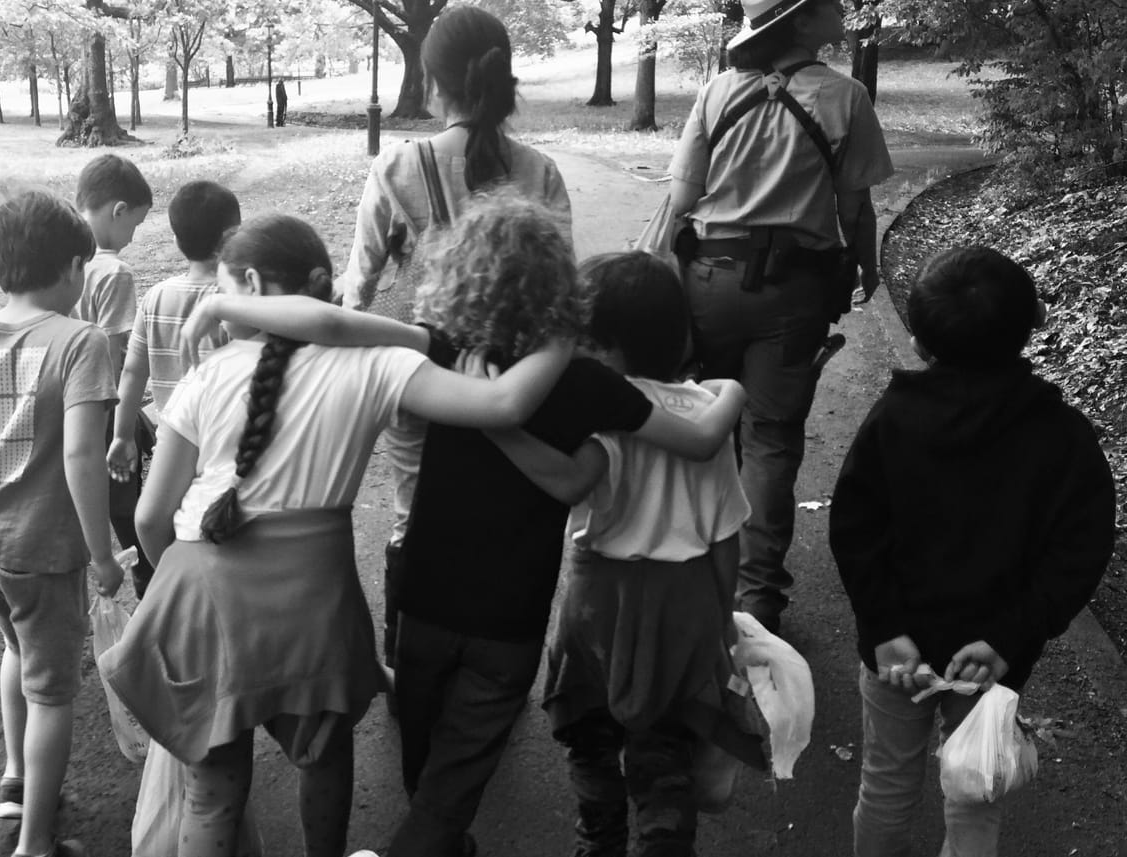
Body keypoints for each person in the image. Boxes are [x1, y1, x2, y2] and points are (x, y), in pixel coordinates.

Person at [176, 194, 743, 857]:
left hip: (424, 607)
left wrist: (221, 305)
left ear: (460, 275)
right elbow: (699, 440)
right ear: (559, 284)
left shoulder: (440, 351)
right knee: (448, 787)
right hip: (509, 622)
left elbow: (328, 322)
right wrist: (731, 388)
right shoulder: (590, 383)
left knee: (424, 773)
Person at [98, 211, 574, 857]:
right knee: (321, 762)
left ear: (254, 284)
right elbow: (500, 405)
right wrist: (561, 339)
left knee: (212, 795)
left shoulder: (207, 375)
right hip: (307, 607)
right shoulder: (377, 365)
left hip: (197, 593)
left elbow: (153, 516)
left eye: (227, 286)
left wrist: (186, 584)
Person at [829, 246, 1116, 857]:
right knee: (976, 793)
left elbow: (855, 527)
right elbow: (1080, 548)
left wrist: (884, 628)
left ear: (918, 344)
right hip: (991, 657)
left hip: (896, 655)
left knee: (885, 788)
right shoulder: (1062, 436)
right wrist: (1009, 637)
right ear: (1034, 323)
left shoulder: (893, 420)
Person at [484, 252, 762, 857]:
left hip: (599, 604)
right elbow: (724, 540)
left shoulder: (598, 412)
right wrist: (721, 623)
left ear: (601, 342)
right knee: (666, 743)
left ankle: (599, 838)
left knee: (590, 731)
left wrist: (495, 422)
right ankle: (663, 843)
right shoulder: (704, 412)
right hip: (684, 606)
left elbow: (565, 484)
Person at [335, 5, 572, 672]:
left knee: (416, 513)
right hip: (517, 379)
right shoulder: (541, 172)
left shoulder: (398, 167)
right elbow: (559, 287)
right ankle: (491, 655)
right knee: (501, 501)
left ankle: (408, 648)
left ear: (434, 82)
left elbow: (358, 287)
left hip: (422, 373)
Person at [667, 0, 894, 633]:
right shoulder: (845, 97)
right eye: (829, 5)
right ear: (800, 22)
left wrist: (659, 273)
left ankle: (688, 569)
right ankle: (756, 597)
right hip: (794, 292)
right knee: (769, 438)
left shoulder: (718, 92)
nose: (843, 10)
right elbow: (855, 208)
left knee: (700, 420)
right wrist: (867, 271)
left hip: (708, 280)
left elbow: (681, 201)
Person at [0, 191, 125, 857]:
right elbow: (81, 455)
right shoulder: (80, 342)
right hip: (38, 553)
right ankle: (35, 844)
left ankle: (15, 779)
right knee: (54, 691)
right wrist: (102, 556)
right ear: (73, 267)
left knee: (18, 649)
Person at [106, 180, 241, 597]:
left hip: (169, 449)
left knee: (163, 523)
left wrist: (122, 434)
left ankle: (169, 591)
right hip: (221, 450)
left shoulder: (157, 296)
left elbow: (132, 373)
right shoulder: (236, 305)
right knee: (214, 532)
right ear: (229, 239)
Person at [74, 153, 156, 599]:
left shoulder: (60, 260)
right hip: (101, 407)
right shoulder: (115, 272)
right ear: (118, 210)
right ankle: (149, 586)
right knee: (126, 507)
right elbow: (116, 351)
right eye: (136, 224)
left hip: (64, 406)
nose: (132, 236)